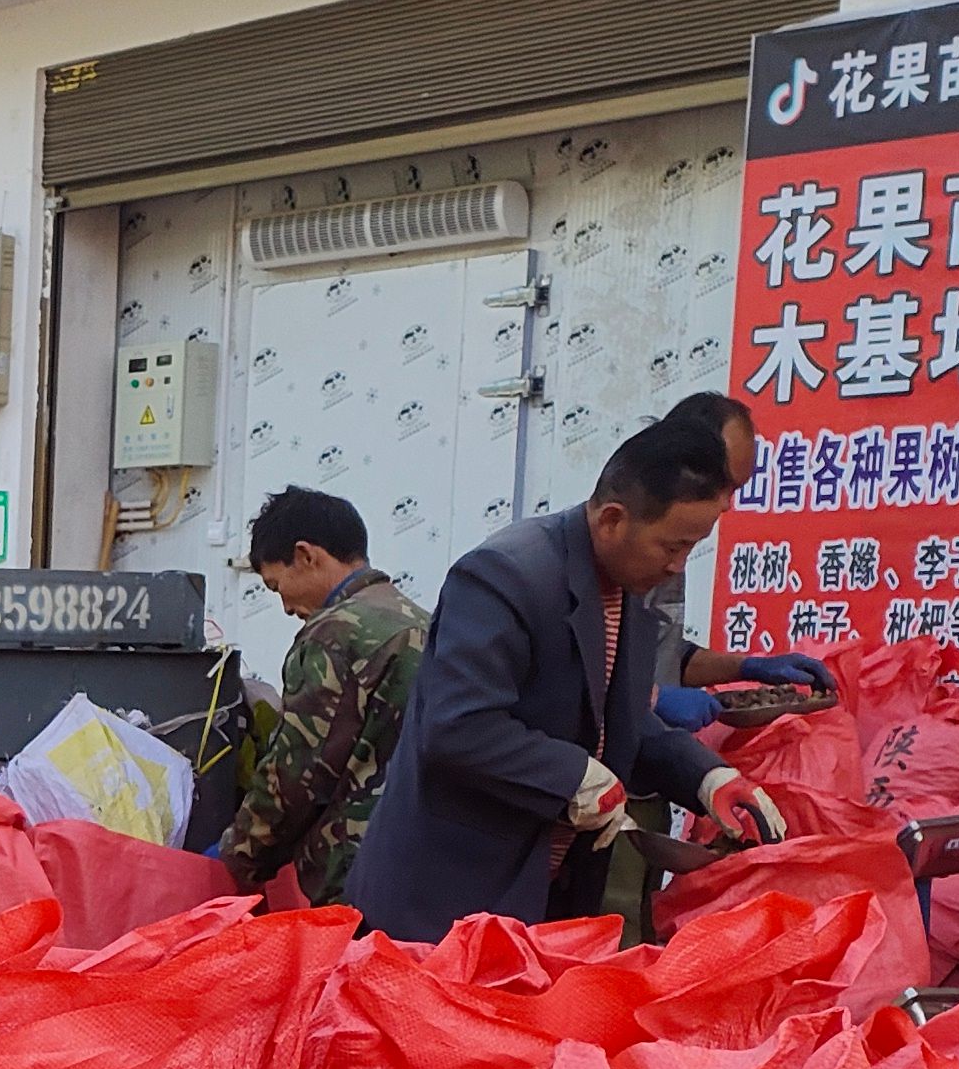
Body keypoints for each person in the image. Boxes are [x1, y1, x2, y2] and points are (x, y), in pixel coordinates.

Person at [350, 396, 785, 941]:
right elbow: (458, 726)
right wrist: (573, 775)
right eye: (672, 546)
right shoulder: (504, 577)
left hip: (539, 897)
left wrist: (706, 777)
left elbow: (617, 720)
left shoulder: (626, 584)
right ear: (612, 519)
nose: (677, 566)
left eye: (691, 549)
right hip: (439, 907)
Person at [217, 487, 429, 904]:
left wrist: (238, 857)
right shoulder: (421, 620)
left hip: (359, 873)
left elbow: (297, 773)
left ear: (306, 555)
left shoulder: (335, 634)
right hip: (427, 864)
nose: (284, 607)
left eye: (276, 586)